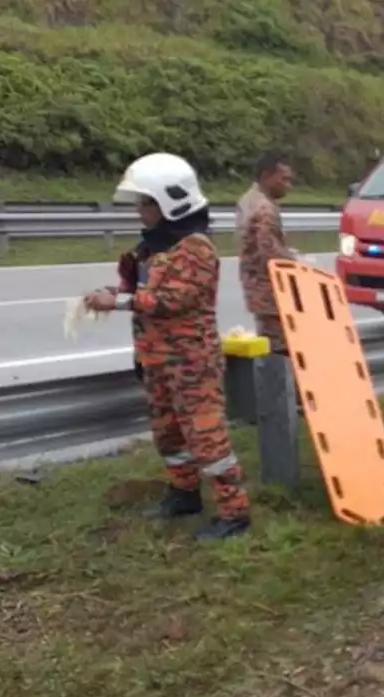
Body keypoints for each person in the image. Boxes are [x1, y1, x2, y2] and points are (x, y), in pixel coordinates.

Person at [83, 153, 252, 541]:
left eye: (146, 203)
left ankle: (234, 512)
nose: (140, 211)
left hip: (191, 362)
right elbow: (143, 292)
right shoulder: (153, 248)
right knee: (168, 434)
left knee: (207, 437)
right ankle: (184, 493)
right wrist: (115, 293)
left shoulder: (196, 248)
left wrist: (122, 302)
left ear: (169, 201)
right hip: (158, 359)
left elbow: (173, 300)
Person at [236, 152, 296, 353]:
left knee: (268, 338)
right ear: (267, 176)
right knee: (279, 347)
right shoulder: (265, 209)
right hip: (270, 289)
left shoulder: (247, 199)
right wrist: (297, 261)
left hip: (254, 284)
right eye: (284, 179)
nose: (288, 185)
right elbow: (270, 252)